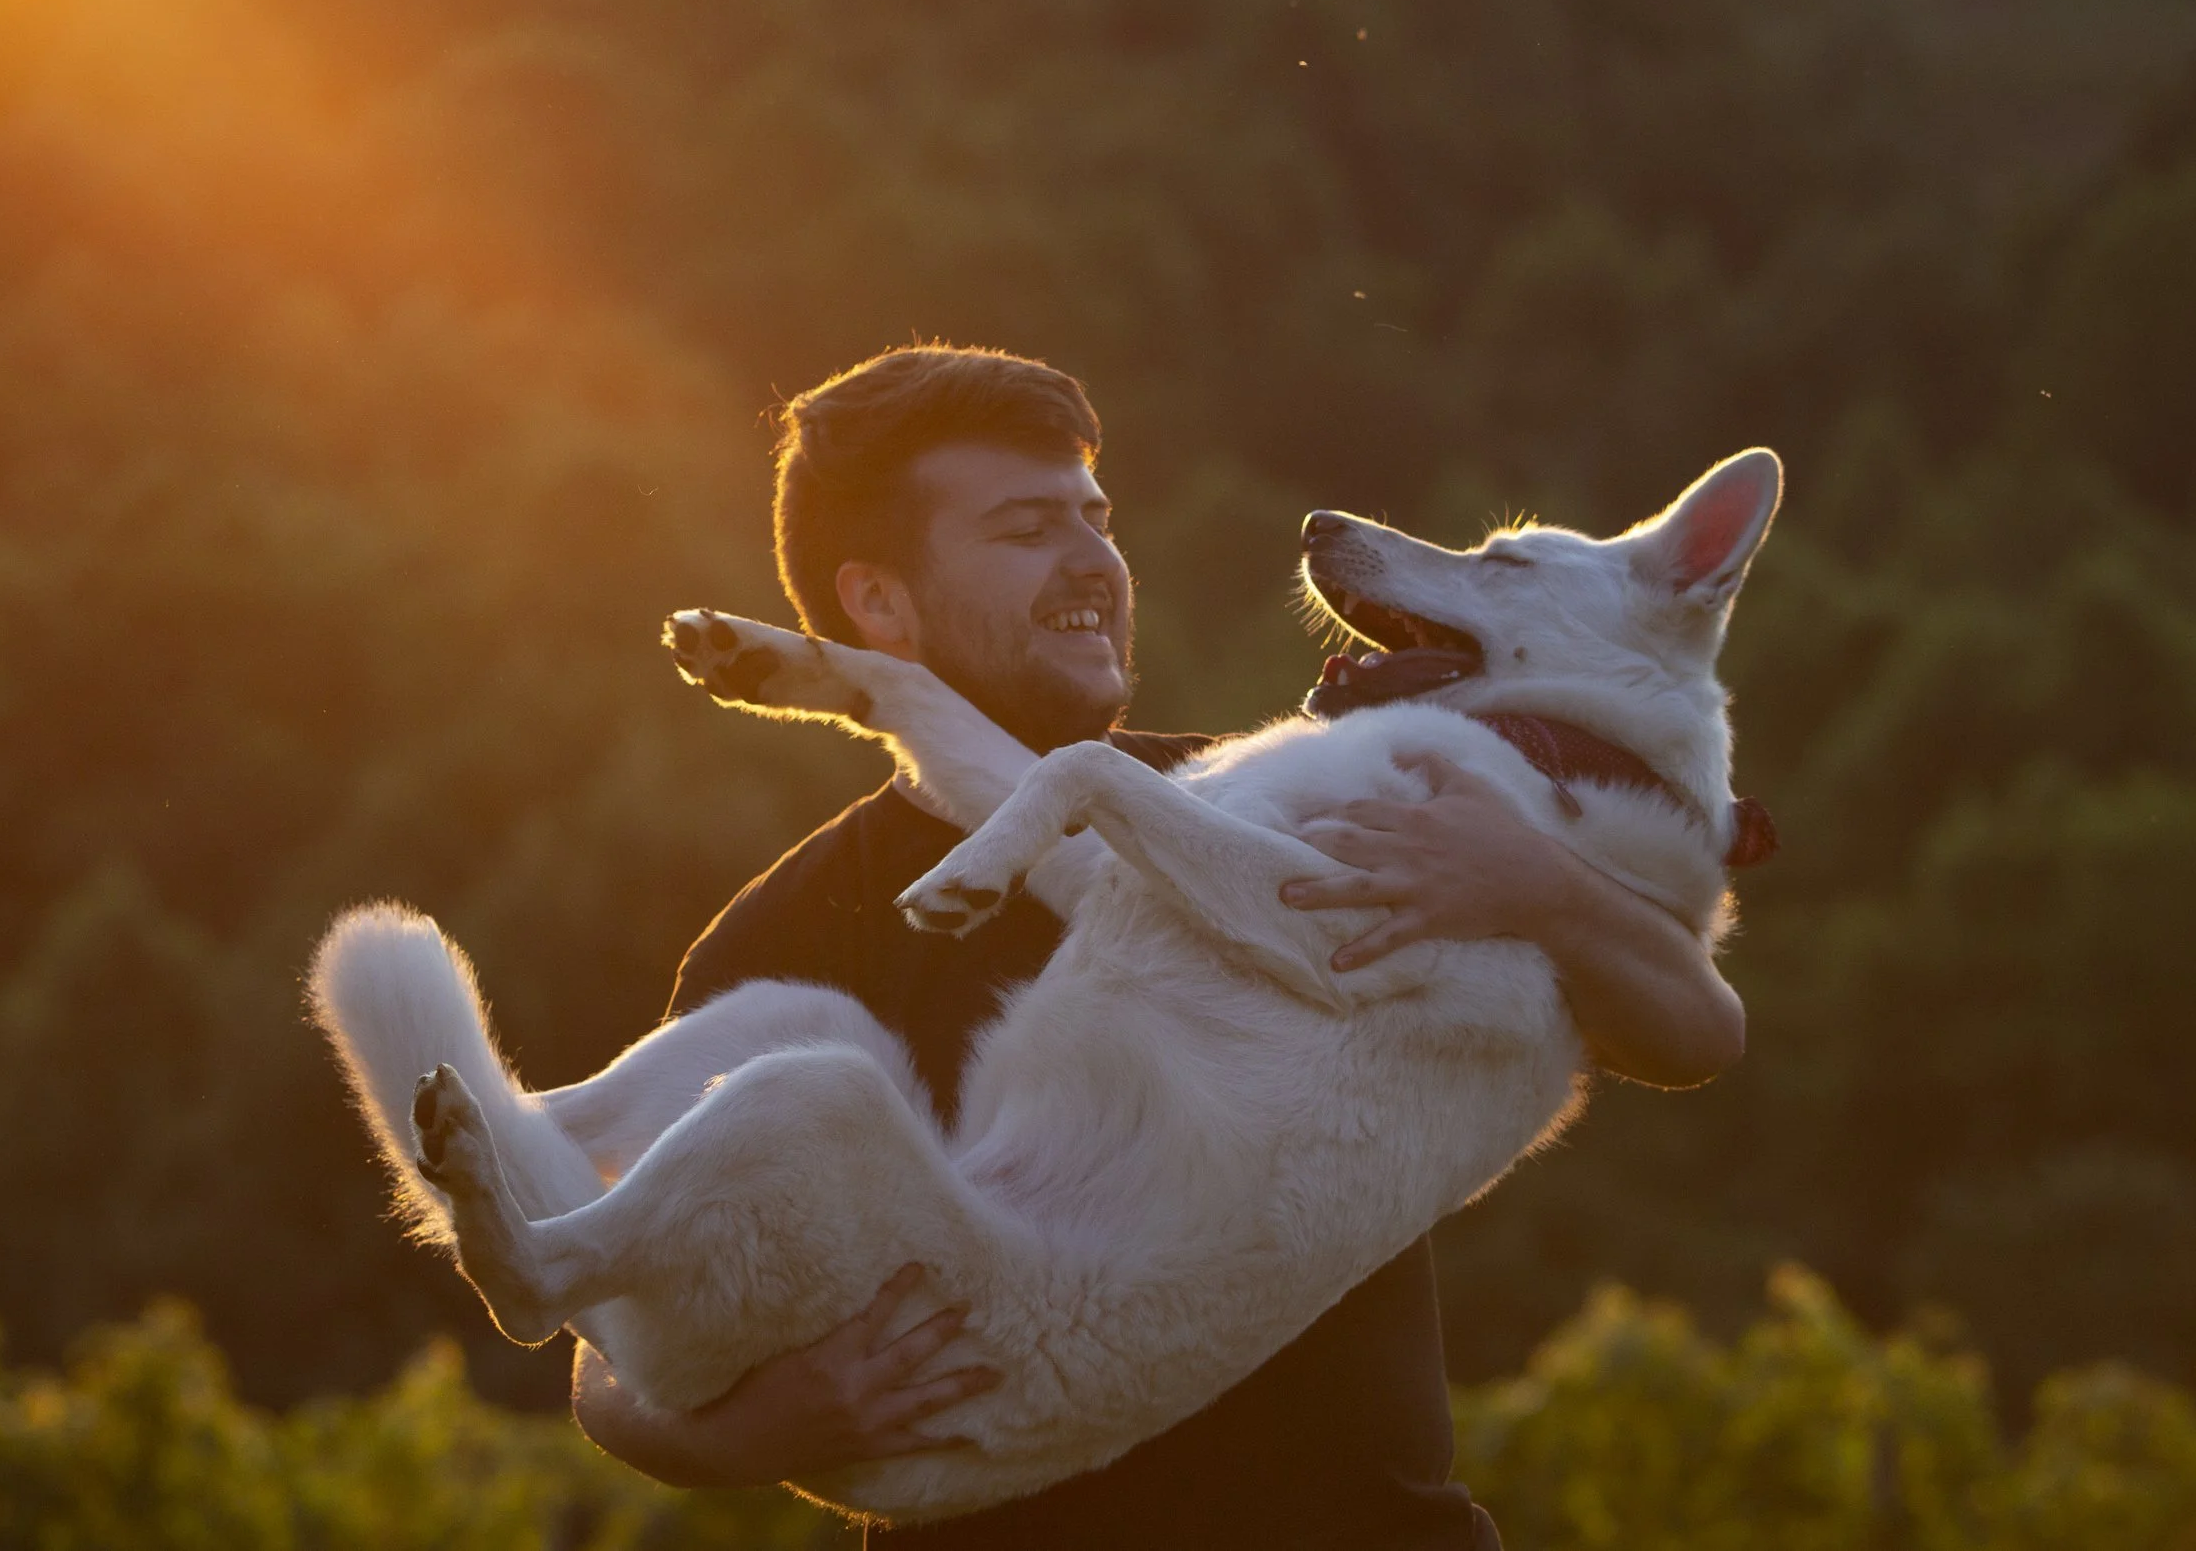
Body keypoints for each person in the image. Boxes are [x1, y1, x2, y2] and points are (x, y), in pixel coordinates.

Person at [571, 345, 1746, 1548]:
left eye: (1097, 518)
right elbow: (605, 1351)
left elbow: (1694, 1033)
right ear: (878, 604)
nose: (1091, 559)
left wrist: (1540, 884)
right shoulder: (790, 937)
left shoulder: (1258, 794)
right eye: (1027, 529)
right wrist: (758, 1430)